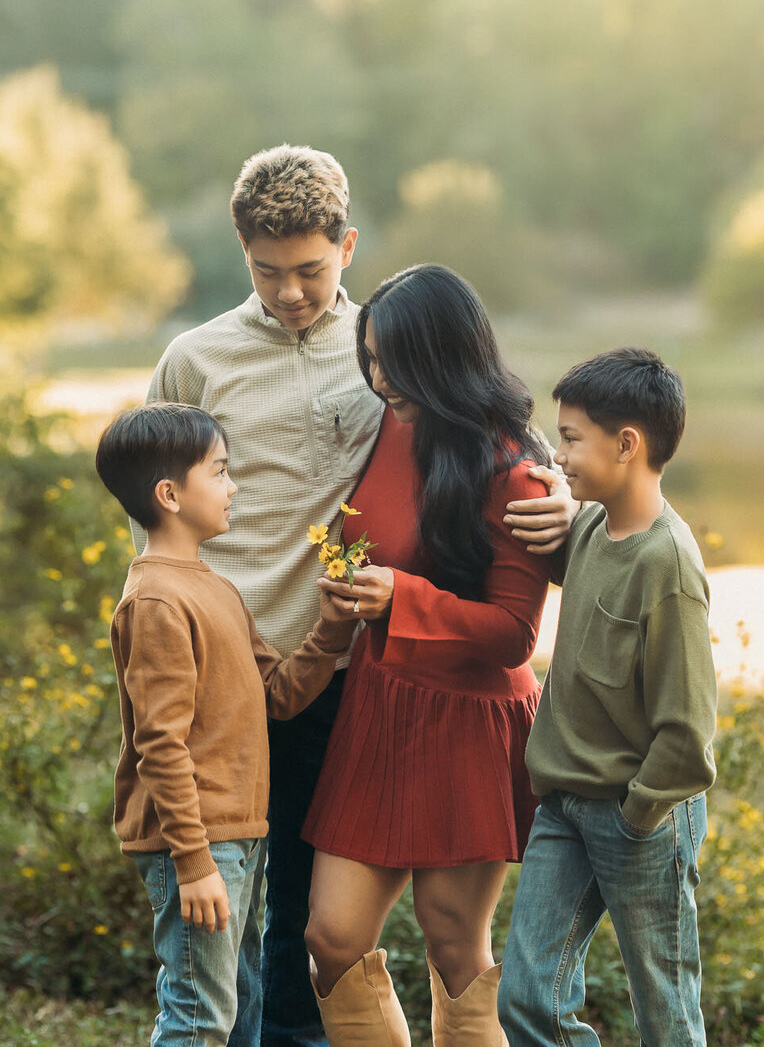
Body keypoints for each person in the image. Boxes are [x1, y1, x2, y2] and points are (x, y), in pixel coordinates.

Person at [137, 145, 578, 1047]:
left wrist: (569, 497)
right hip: (237, 671)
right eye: (268, 271)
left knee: (329, 917)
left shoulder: (385, 346)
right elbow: (156, 504)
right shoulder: (197, 359)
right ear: (241, 254)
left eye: (308, 269)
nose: (290, 291)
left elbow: (495, 450)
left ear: (346, 246)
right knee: (260, 913)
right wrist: (156, 637)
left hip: (349, 679)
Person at [301, 263, 557, 1047]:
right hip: (379, 710)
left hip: (469, 722)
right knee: (332, 937)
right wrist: (343, 588)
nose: (379, 380)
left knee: (452, 944)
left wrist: (399, 600)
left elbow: (515, 632)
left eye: (394, 363)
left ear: (444, 357)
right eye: (370, 358)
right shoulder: (383, 426)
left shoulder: (515, 469)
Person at [96, 402, 363, 1047]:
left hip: (236, 838)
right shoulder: (158, 601)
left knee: (237, 1013)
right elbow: (161, 743)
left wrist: (332, 630)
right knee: (198, 1019)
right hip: (197, 843)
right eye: (218, 472)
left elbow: (276, 694)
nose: (232, 485)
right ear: (169, 494)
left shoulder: (215, 587)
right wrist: (192, 862)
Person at [497, 348, 720, 1047]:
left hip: (640, 817)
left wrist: (638, 815)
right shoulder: (591, 528)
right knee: (527, 998)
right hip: (563, 804)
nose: (558, 454)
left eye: (569, 439)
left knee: (667, 1014)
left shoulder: (670, 563)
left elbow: (687, 735)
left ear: (627, 445)